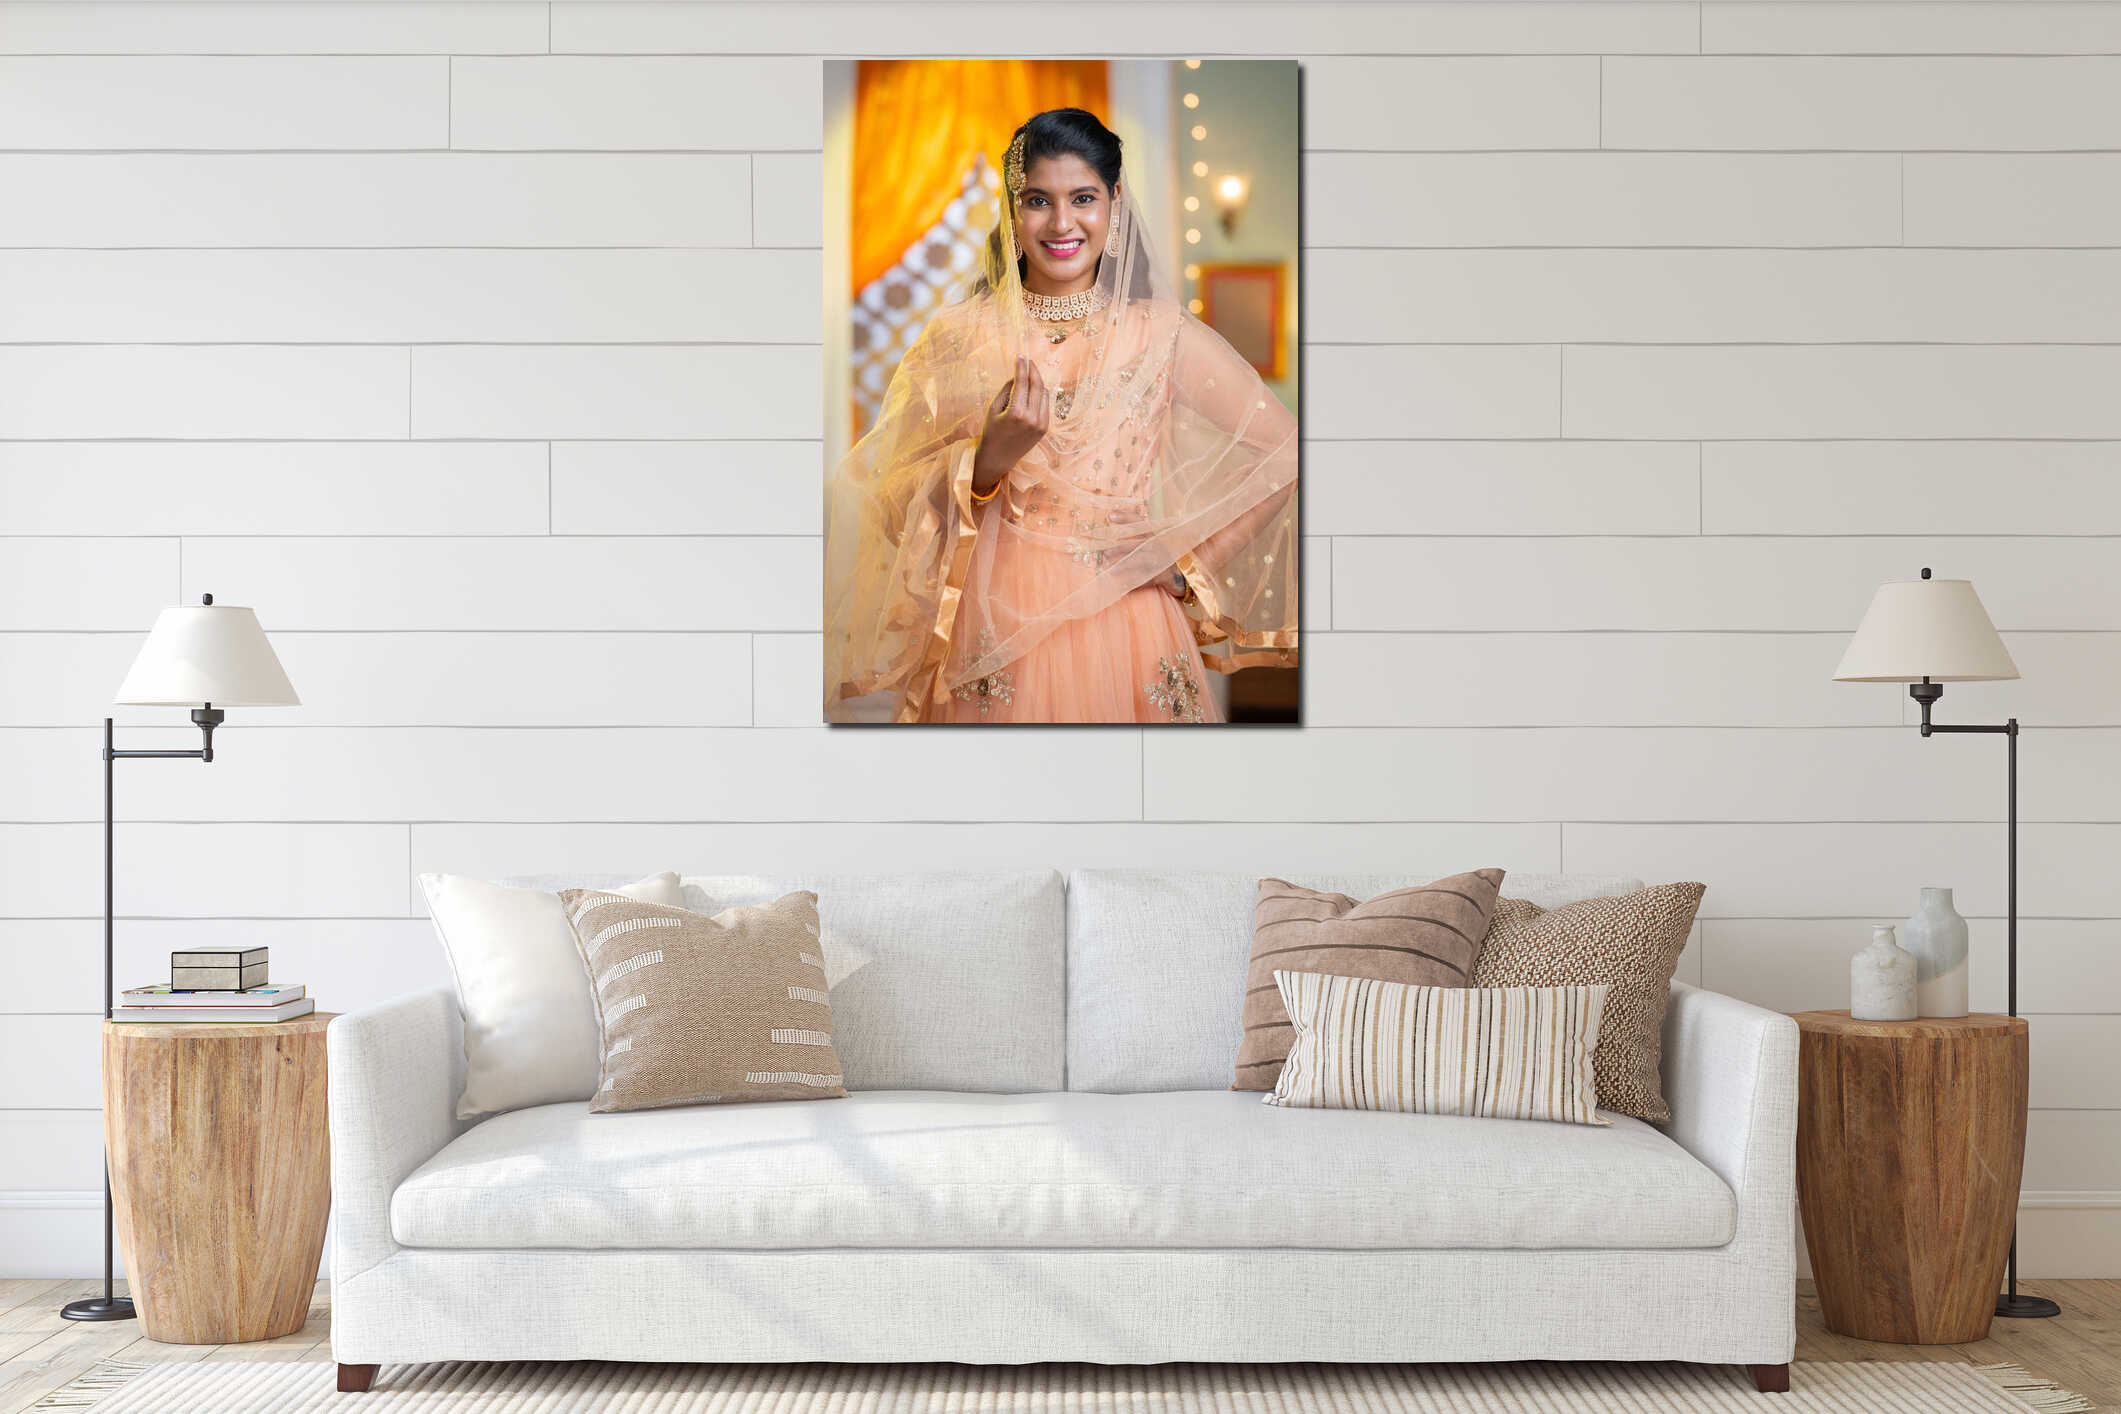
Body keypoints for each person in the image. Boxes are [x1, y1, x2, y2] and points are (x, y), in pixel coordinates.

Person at [824, 107, 1297, 723]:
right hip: (990, 628)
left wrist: (1189, 568)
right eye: (1038, 200)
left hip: (1127, 622)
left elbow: (1285, 453)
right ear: (1012, 210)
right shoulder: (960, 335)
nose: (1062, 222)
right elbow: (888, 503)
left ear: (1115, 202)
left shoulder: (1160, 334)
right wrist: (986, 463)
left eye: (1083, 198)